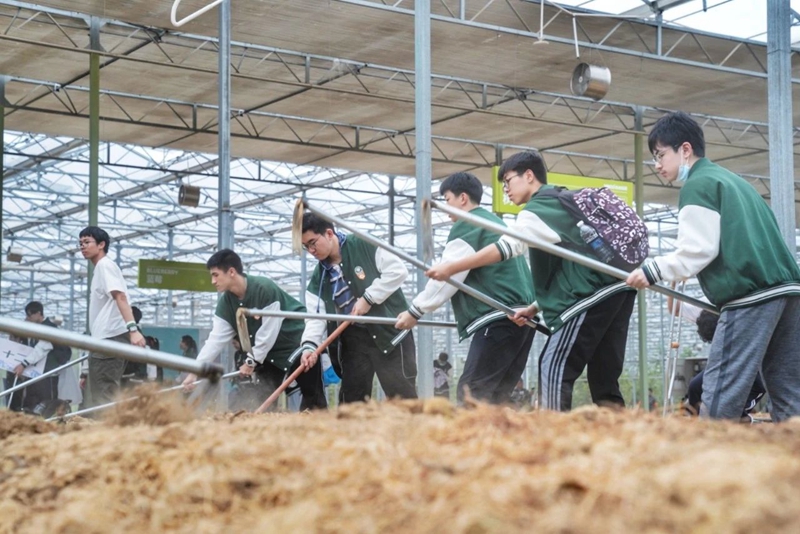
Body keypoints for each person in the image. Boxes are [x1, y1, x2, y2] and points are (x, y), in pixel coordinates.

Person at [427, 150, 636, 412]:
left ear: (528, 176)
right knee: (604, 374)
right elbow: (567, 264)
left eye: (508, 182)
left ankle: (550, 441)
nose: (506, 190)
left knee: (553, 366)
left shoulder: (538, 208)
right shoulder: (562, 200)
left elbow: (507, 247)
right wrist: (535, 307)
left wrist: (452, 267)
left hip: (590, 294)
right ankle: (619, 440)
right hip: (620, 286)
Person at [626, 111, 800, 422]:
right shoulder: (736, 183)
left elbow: (698, 250)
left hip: (750, 296)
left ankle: (710, 465)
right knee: (789, 392)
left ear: (686, 150)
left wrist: (653, 270)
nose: (657, 165)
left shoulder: (699, 184)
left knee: (721, 390)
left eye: (661, 155)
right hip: (788, 293)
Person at [395, 172, 536, 403]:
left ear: (462, 198)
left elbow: (450, 276)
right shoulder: (496, 223)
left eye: (447, 199)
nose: (445, 207)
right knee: (497, 397)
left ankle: (471, 439)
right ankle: (497, 438)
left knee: (472, 392)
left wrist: (415, 311)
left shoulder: (468, 225)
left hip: (497, 318)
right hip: (522, 320)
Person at [181, 249, 327, 411]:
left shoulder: (264, 289)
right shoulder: (226, 304)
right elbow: (215, 340)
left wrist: (251, 361)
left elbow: (268, 333)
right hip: (268, 356)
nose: (213, 281)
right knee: (261, 402)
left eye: (215, 275)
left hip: (297, 345)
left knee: (313, 400)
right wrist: (195, 371)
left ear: (231, 272)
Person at [298, 212, 417, 403]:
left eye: (313, 242)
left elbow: (398, 271)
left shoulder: (364, 244)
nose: (311, 250)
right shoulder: (318, 278)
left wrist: (369, 298)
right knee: (352, 401)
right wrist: (310, 346)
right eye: (306, 247)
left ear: (329, 234)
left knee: (403, 397)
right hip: (353, 341)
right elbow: (315, 318)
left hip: (390, 333)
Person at [80, 227, 146, 408]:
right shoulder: (101, 268)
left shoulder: (105, 265)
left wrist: (133, 329)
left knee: (104, 394)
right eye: (80, 243)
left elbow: (121, 297)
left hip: (110, 337)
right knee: (102, 392)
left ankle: (110, 433)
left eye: (87, 242)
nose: (82, 247)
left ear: (101, 244)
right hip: (106, 337)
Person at [4, 301, 71, 413]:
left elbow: (41, 349)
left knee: (47, 401)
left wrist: (23, 364)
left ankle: (49, 423)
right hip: (38, 371)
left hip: (49, 372)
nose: (28, 318)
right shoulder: (36, 329)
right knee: (33, 400)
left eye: (29, 315)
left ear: (38, 313)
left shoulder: (48, 328)